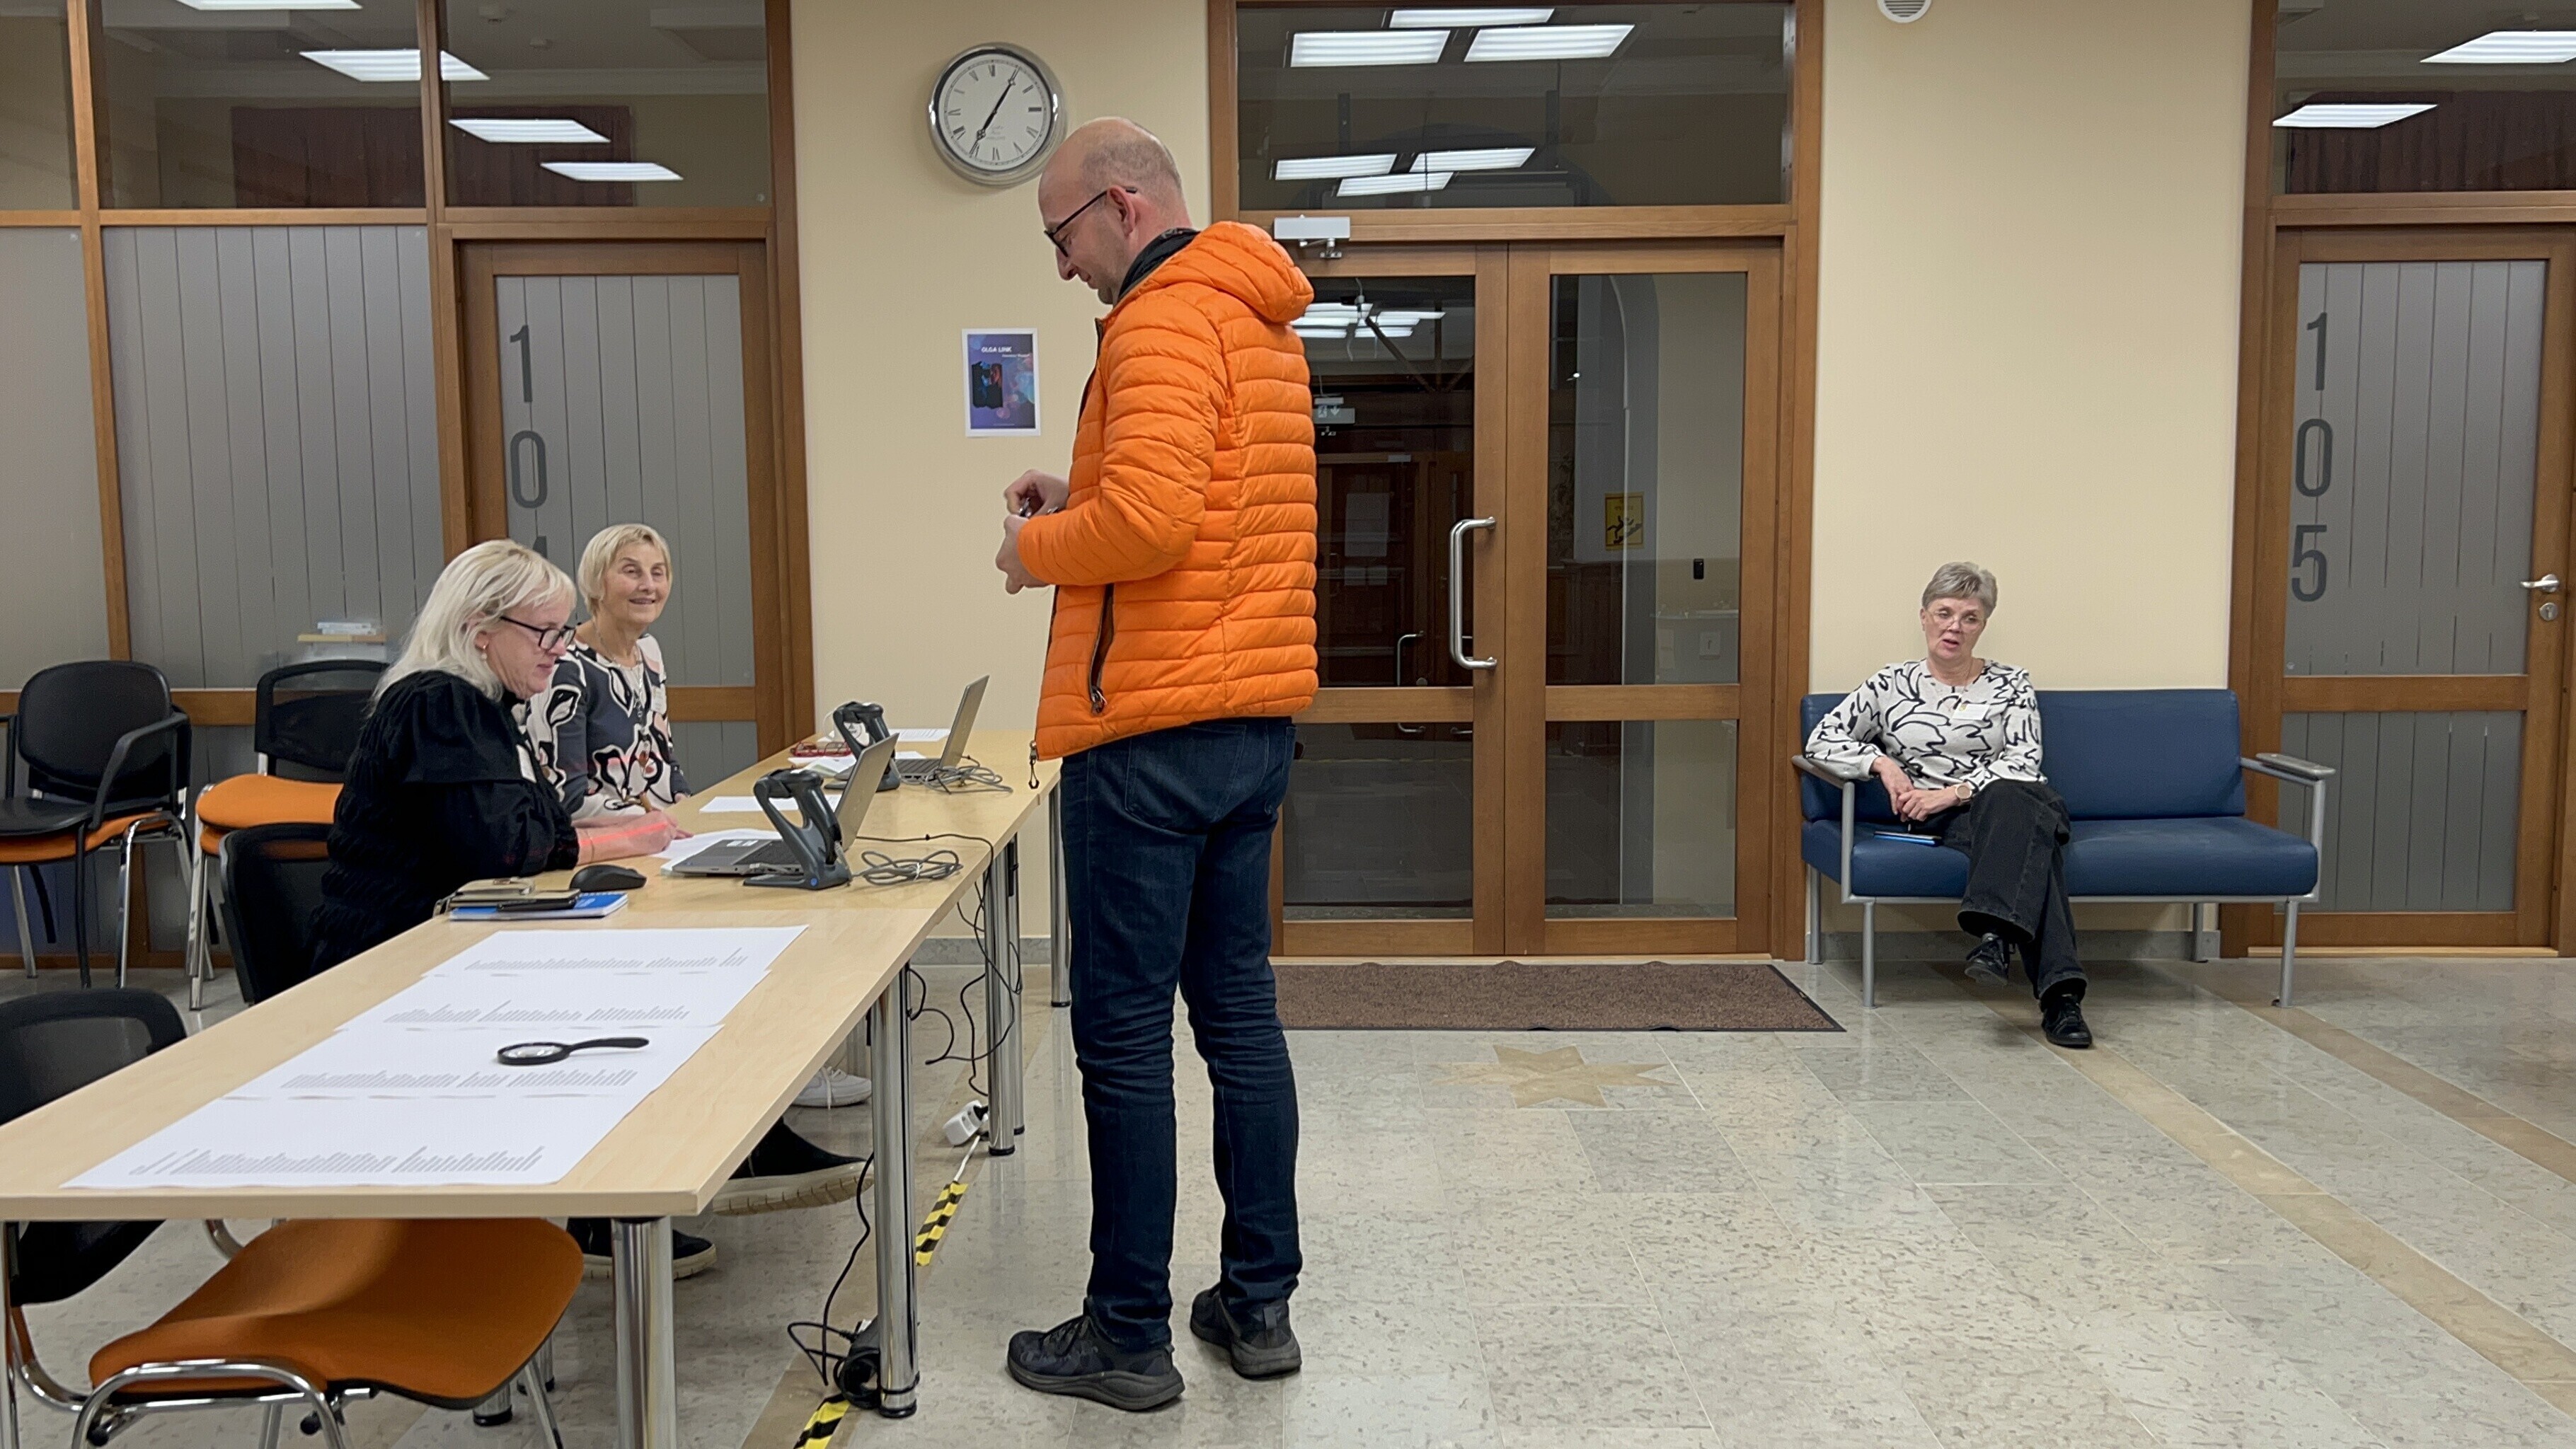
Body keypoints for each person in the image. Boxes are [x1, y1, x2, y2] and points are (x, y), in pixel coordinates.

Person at [992, 117, 1317, 1411]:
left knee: (1122, 1034)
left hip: (1149, 734)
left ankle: (1126, 1333)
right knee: (1237, 1013)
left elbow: (1152, 522)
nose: (1062, 263)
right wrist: (1074, 492)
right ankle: (1258, 1303)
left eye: (1061, 234)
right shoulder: (1260, 318)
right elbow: (1208, 511)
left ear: (1122, 205)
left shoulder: (1160, 319)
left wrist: (1034, 549)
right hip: (1250, 724)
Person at [310, 541, 863, 1281]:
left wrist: (610, 837)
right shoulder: (439, 704)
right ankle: (613, 1209)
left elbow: (530, 824)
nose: (559, 647)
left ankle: (709, 1160)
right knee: (630, 990)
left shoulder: (485, 704)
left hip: (452, 934)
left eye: (561, 630)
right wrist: (623, 838)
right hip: (395, 957)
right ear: (480, 630)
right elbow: (505, 845)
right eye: (544, 632)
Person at [527, 525, 871, 1112]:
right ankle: (765, 1077)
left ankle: (782, 1067)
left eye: (658, 572)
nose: (648, 585)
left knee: (776, 895)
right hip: (601, 857)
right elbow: (566, 798)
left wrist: (690, 818)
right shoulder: (568, 667)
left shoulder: (649, 654)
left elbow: (662, 761)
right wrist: (654, 826)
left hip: (656, 842)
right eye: (631, 571)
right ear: (596, 583)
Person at [1805, 562, 2091, 1048]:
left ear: (1983, 625)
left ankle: (1997, 935)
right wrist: (1881, 764)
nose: (1954, 627)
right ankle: (2059, 998)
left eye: (1969, 617)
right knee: (2036, 849)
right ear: (1924, 617)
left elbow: (2023, 760)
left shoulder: (2011, 683)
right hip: (1952, 822)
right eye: (1944, 613)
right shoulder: (1890, 684)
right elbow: (1821, 740)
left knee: (2012, 801)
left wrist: (1952, 792)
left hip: (2018, 800)